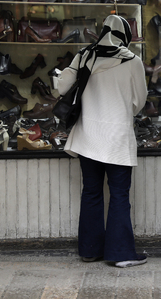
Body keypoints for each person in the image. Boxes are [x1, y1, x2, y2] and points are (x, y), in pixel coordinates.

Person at [56, 15, 148, 267]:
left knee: (91, 192)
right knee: (119, 195)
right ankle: (120, 254)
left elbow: (62, 87)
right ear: (126, 35)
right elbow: (139, 102)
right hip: (117, 138)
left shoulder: (85, 56)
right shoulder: (133, 61)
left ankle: (90, 250)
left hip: (89, 138)